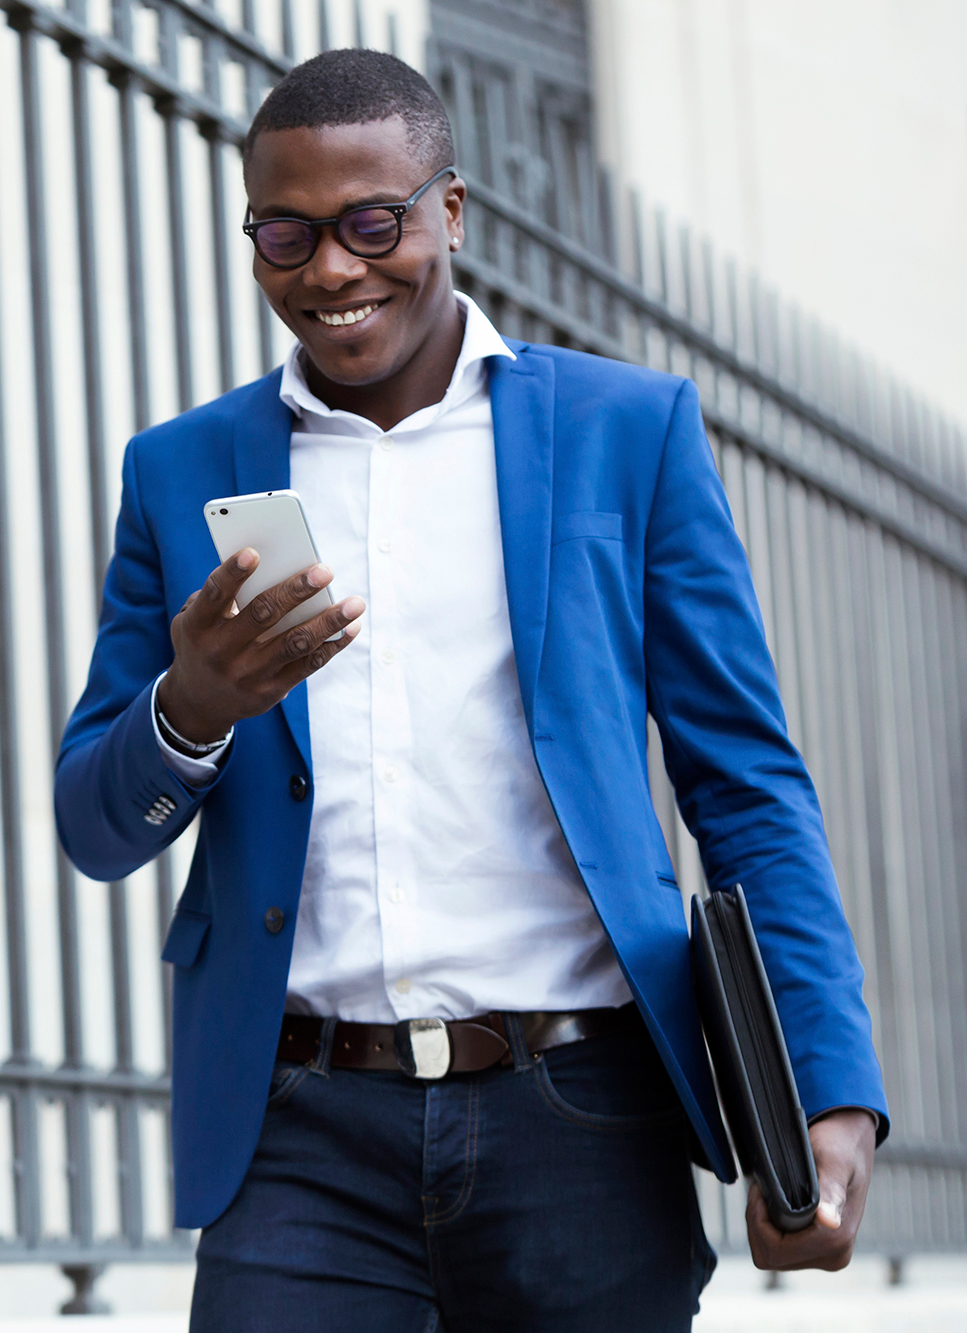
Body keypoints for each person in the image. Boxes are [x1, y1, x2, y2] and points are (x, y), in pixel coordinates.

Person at [55, 47, 888, 1333]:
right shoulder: (181, 470)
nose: (329, 269)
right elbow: (91, 828)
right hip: (299, 1136)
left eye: (369, 224)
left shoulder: (626, 430)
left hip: (582, 1113)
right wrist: (193, 707)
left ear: (449, 212)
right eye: (285, 234)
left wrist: (827, 1082)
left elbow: (747, 782)